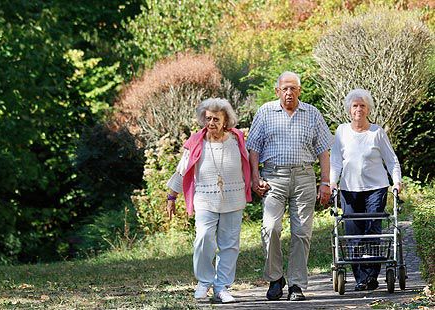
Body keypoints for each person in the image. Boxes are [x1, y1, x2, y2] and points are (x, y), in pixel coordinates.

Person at [246, 71, 333, 301]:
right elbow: (253, 147)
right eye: (284, 88)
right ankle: (275, 279)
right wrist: (255, 177)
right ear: (277, 91)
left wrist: (325, 182)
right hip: (273, 177)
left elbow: (324, 151)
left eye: (293, 88)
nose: (288, 92)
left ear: (299, 91)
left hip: (304, 176)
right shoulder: (265, 112)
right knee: (271, 228)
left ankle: (296, 284)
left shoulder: (312, 113)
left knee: (301, 232)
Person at [165, 98, 252, 303]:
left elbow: (249, 163)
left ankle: (221, 287)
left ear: (226, 120)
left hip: (233, 198)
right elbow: (182, 169)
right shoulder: (196, 141)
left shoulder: (237, 139)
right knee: (203, 238)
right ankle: (204, 281)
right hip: (205, 198)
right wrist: (172, 196)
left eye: (216, 119)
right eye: (208, 118)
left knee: (230, 244)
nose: (211, 123)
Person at [330, 88, 402, 291]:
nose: (358, 109)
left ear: (368, 109)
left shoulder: (376, 132)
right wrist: (332, 182)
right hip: (349, 189)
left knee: (371, 231)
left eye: (362, 105)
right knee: (353, 233)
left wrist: (396, 181)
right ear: (349, 109)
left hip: (375, 188)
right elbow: (335, 161)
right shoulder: (342, 131)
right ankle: (360, 277)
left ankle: (371, 276)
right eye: (355, 105)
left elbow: (391, 160)